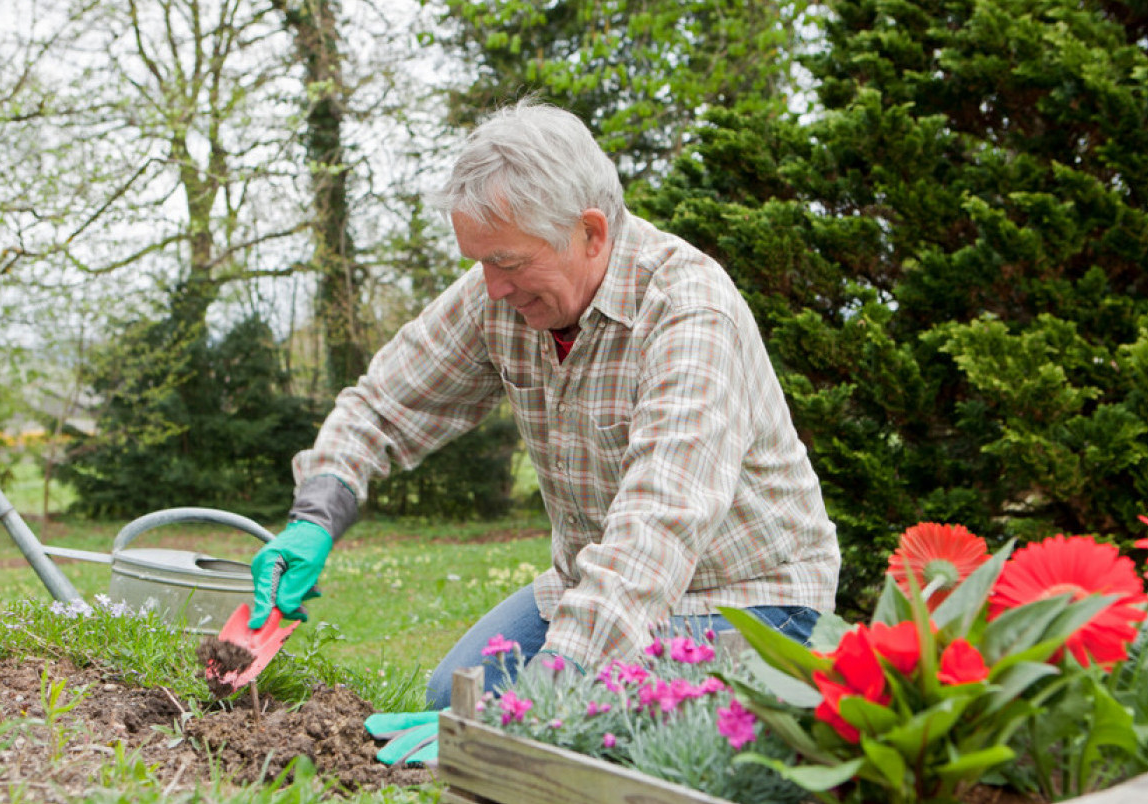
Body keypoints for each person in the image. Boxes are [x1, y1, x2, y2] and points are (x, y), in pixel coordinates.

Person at [249, 99, 841, 712]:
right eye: (481, 262)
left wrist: (554, 686)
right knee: (454, 705)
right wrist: (315, 515)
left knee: (588, 740)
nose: (493, 288)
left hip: (750, 601)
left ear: (591, 233)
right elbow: (384, 404)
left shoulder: (688, 311)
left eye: (507, 262)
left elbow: (660, 523)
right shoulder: (500, 296)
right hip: (591, 585)